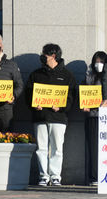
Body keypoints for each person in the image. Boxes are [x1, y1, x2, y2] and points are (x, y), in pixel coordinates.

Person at [26, 44, 77, 187]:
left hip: (59, 118)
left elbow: (72, 97)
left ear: (53, 56)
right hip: (40, 117)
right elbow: (28, 94)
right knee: (41, 148)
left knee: (57, 148)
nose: (42, 56)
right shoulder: (36, 74)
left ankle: (55, 176)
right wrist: (34, 104)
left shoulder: (67, 75)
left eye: (44, 54)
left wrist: (61, 107)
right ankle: (43, 176)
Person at [82, 51, 107, 186]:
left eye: (101, 62)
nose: (99, 64)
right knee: (93, 147)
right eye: (96, 61)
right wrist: (84, 105)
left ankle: (106, 175)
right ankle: (94, 177)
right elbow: (82, 93)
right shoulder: (88, 77)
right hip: (92, 116)